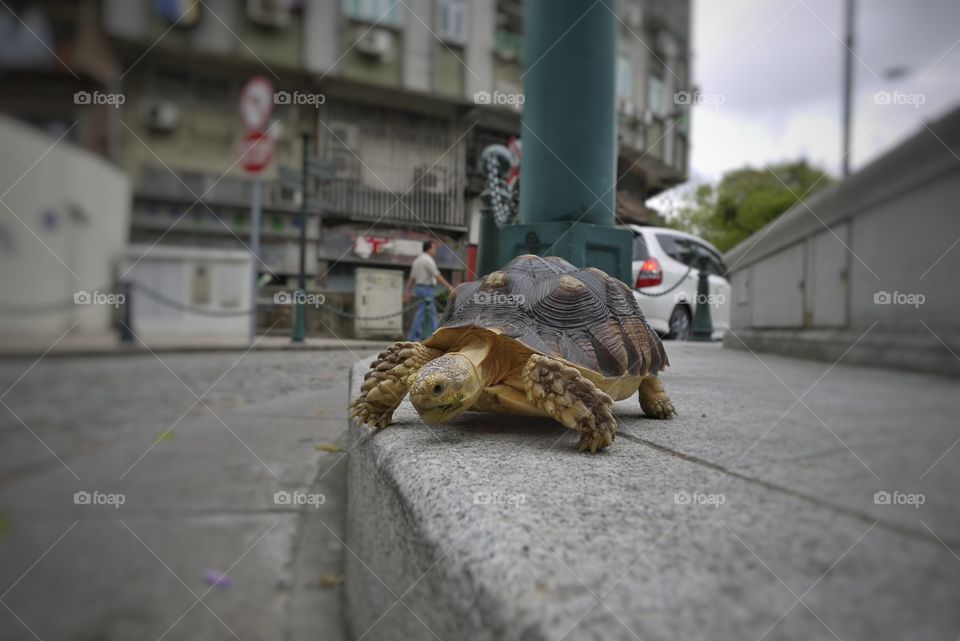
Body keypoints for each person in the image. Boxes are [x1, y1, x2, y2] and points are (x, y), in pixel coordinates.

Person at [404, 241, 453, 341]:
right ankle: (420, 336)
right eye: (434, 248)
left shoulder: (417, 260)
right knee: (425, 313)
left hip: (419, 288)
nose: (435, 250)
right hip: (427, 289)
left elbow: (411, 278)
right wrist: (449, 287)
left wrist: (408, 291)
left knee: (427, 312)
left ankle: (432, 336)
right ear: (429, 249)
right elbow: (437, 276)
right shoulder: (428, 260)